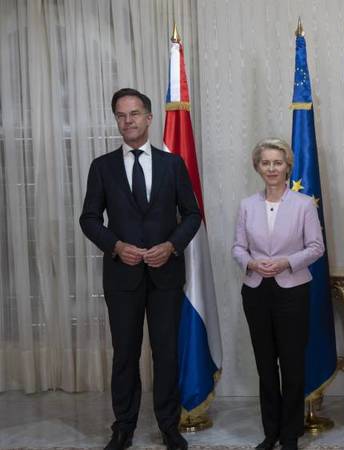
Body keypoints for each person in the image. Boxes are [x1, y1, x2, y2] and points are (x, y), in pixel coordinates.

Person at [79, 88, 200, 450]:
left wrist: (171, 246)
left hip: (165, 276)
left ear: (148, 118)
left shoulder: (172, 164)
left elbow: (192, 214)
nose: (127, 121)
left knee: (166, 353)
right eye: (121, 115)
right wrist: (116, 246)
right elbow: (89, 219)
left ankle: (169, 427)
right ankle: (123, 427)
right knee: (125, 355)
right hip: (122, 277)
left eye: (133, 114)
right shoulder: (102, 167)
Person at [232, 138, 324, 450]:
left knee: (292, 364)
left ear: (288, 166)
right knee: (265, 365)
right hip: (256, 291)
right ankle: (270, 432)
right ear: (257, 167)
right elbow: (238, 247)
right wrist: (251, 263)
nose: (272, 168)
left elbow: (316, 247)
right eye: (266, 163)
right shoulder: (247, 205)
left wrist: (286, 262)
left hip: (293, 291)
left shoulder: (304, 204)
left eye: (278, 162)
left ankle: (290, 433)